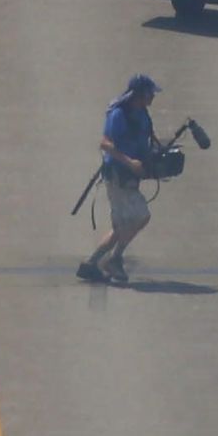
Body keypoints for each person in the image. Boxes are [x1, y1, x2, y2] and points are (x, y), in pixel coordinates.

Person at [78, 74, 160, 285]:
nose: (153, 98)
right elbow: (105, 144)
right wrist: (130, 162)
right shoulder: (119, 115)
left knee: (120, 227)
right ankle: (114, 259)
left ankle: (90, 263)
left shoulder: (143, 114)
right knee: (141, 217)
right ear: (140, 94)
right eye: (150, 93)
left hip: (130, 176)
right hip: (118, 176)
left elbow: (144, 143)